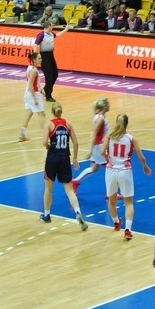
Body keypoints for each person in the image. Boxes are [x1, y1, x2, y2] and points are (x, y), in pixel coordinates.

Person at [102, 113, 152, 240]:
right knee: (128, 202)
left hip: (111, 170)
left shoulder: (109, 136)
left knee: (111, 200)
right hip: (125, 171)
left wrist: (108, 159)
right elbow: (141, 157)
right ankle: (128, 229)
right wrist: (145, 166)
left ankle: (116, 222)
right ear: (126, 124)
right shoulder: (131, 139)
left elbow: (102, 152)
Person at [39, 103, 87, 231]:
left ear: (52, 112)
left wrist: (48, 146)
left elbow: (44, 142)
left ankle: (47, 214)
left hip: (53, 158)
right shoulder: (68, 124)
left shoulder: (49, 124)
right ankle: (78, 213)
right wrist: (75, 158)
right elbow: (76, 142)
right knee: (69, 189)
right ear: (61, 111)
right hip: (65, 158)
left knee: (48, 188)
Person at [71, 97, 110, 192]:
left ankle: (75, 181)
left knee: (94, 168)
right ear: (104, 107)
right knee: (110, 169)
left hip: (98, 146)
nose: (109, 106)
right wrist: (90, 151)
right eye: (108, 105)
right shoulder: (100, 119)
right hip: (99, 147)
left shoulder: (98, 117)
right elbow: (94, 134)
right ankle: (110, 193)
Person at [34, 22, 69, 102]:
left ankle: (45, 89)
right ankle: (48, 95)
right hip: (44, 56)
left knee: (55, 74)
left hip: (51, 55)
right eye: (51, 25)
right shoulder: (41, 34)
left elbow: (58, 35)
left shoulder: (51, 34)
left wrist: (65, 30)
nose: (53, 27)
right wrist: (36, 56)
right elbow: (35, 44)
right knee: (49, 77)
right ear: (48, 26)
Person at [19, 52, 46, 142]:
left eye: (41, 58)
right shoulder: (34, 71)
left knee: (28, 114)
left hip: (27, 94)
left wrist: (41, 89)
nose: (41, 59)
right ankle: (46, 137)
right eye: (39, 58)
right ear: (34, 60)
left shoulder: (30, 67)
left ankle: (22, 134)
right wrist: (35, 98)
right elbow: (31, 84)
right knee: (42, 115)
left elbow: (34, 83)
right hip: (32, 94)